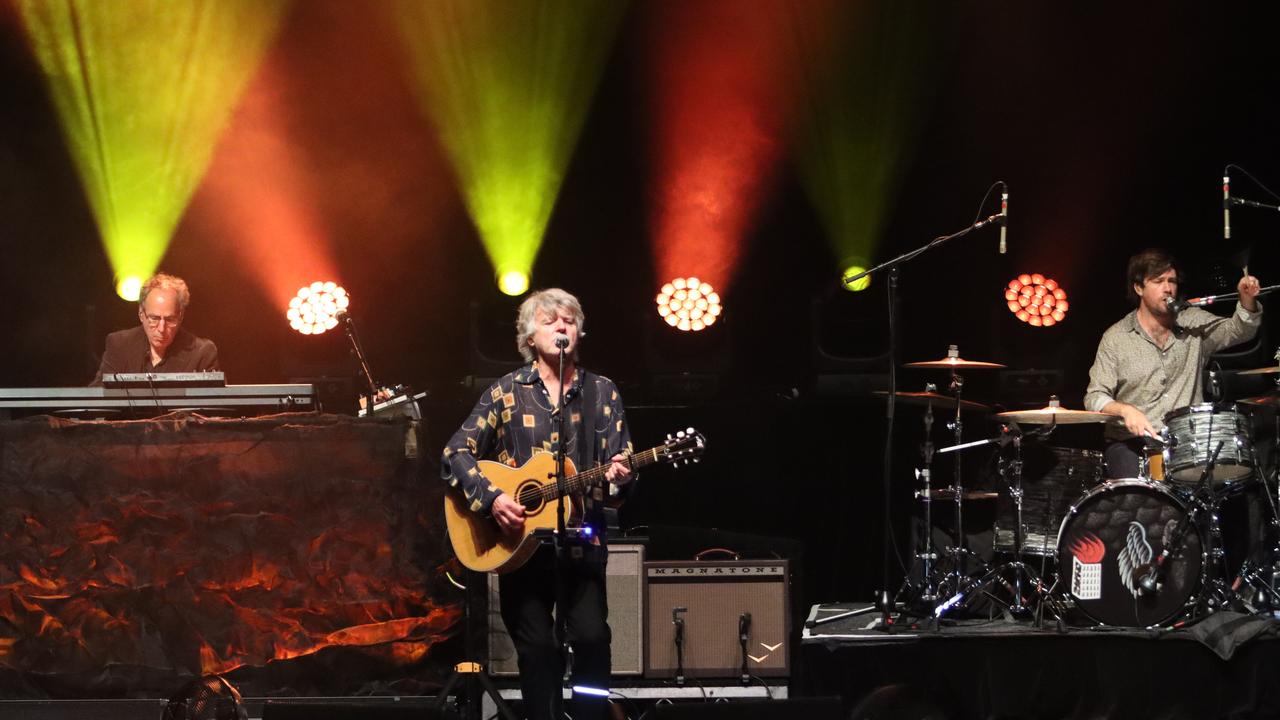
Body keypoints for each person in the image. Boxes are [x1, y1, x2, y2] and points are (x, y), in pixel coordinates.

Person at [442, 288, 634, 720]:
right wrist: (493, 500)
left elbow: (620, 482)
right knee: (539, 648)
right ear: (529, 337)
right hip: (520, 548)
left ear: (580, 331)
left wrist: (621, 478)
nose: (561, 326)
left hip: (582, 546)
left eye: (569, 319)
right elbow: (455, 453)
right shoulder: (506, 392)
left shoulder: (602, 393)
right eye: (550, 320)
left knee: (591, 640)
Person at [1084, 249, 1263, 478]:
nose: (1168, 288)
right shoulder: (1116, 338)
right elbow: (1094, 396)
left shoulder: (1193, 325)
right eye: (1158, 281)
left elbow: (1239, 330)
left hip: (1187, 444)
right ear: (1139, 288)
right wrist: (1125, 410)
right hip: (1132, 445)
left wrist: (1247, 301)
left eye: (1172, 281)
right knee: (1135, 494)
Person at [90, 273, 220, 385]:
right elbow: (97, 396)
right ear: (141, 314)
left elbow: (217, 406)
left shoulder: (202, 352)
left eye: (170, 320)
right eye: (154, 318)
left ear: (180, 316)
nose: (161, 328)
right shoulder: (119, 345)